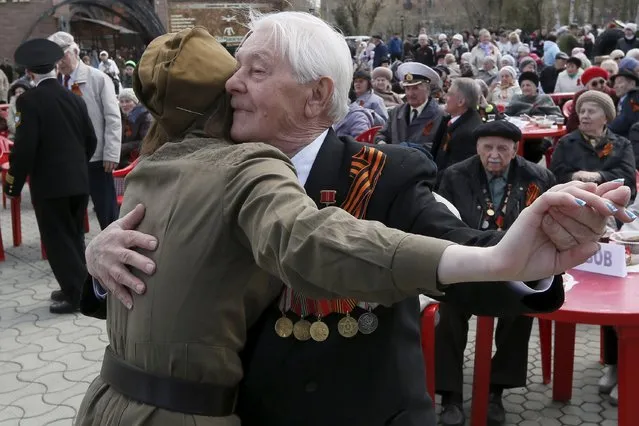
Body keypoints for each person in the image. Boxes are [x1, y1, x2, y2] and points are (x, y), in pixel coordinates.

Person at [79, 14, 635, 426]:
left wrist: (528, 263)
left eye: (256, 70)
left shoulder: (384, 173)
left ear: (317, 95)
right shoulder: (203, 167)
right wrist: (97, 257)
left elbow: (460, 250)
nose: (231, 83)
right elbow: (139, 286)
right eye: (235, 67)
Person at [435, 120, 557, 426]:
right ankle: (449, 394)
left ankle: (496, 390)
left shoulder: (538, 177)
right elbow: (442, 222)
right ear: (477, 148)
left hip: (517, 265)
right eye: (487, 147)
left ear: (516, 150)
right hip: (466, 260)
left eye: (503, 148)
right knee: (447, 310)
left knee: (523, 306)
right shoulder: (455, 175)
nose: (494, 154)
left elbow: (550, 225)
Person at [4, 39, 97, 314]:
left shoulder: (27, 101)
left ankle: (77, 296)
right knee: (74, 236)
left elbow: (24, 147)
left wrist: (13, 184)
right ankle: (77, 286)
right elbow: (90, 139)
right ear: (56, 67)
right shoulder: (74, 98)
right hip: (78, 181)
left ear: (30, 72)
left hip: (50, 185)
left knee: (58, 241)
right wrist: (77, 165)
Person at [48, 31, 122, 231]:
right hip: (68, 160)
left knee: (107, 212)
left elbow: (113, 117)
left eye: (63, 55)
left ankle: (119, 252)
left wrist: (111, 152)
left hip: (96, 158)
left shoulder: (97, 78)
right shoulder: (55, 83)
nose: (60, 62)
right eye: (56, 58)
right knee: (73, 214)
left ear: (75, 51)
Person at [550, 90, 637, 200]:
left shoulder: (622, 144)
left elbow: (628, 178)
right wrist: (573, 176)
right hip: (574, 202)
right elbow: (554, 176)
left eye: (591, 112)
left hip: (612, 201)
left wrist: (599, 176)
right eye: (582, 112)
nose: (585, 116)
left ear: (605, 118)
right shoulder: (565, 143)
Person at [375, 62, 444, 149]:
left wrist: (408, 149)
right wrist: (381, 142)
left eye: (415, 88)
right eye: (407, 88)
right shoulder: (396, 112)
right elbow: (382, 134)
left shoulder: (440, 115)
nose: (410, 93)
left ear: (427, 89)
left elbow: (439, 146)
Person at [431, 77, 484, 176]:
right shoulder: (452, 120)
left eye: (450, 94)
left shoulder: (466, 133)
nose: (445, 97)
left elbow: (454, 173)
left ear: (461, 102)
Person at [566, 66, 617, 132]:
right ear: (587, 87)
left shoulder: (614, 94)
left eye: (601, 82)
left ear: (606, 82)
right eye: (594, 84)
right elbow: (572, 123)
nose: (599, 86)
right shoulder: (580, 96)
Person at [117, 88, 152, 168]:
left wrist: (123, 147)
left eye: (128, 101)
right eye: (121, 101)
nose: (124, 104)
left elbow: (146, 141)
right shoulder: (119, 115)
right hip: (120, 156)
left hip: (136, 157)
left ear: (135, 102)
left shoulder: (145, 117)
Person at [609, 68, 639, 139]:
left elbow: (627, 118)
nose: (615, 86)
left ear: (632, 83)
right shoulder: (620, 100)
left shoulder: (634, 96)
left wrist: (606, 129)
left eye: (619, 82)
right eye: (615, 83)